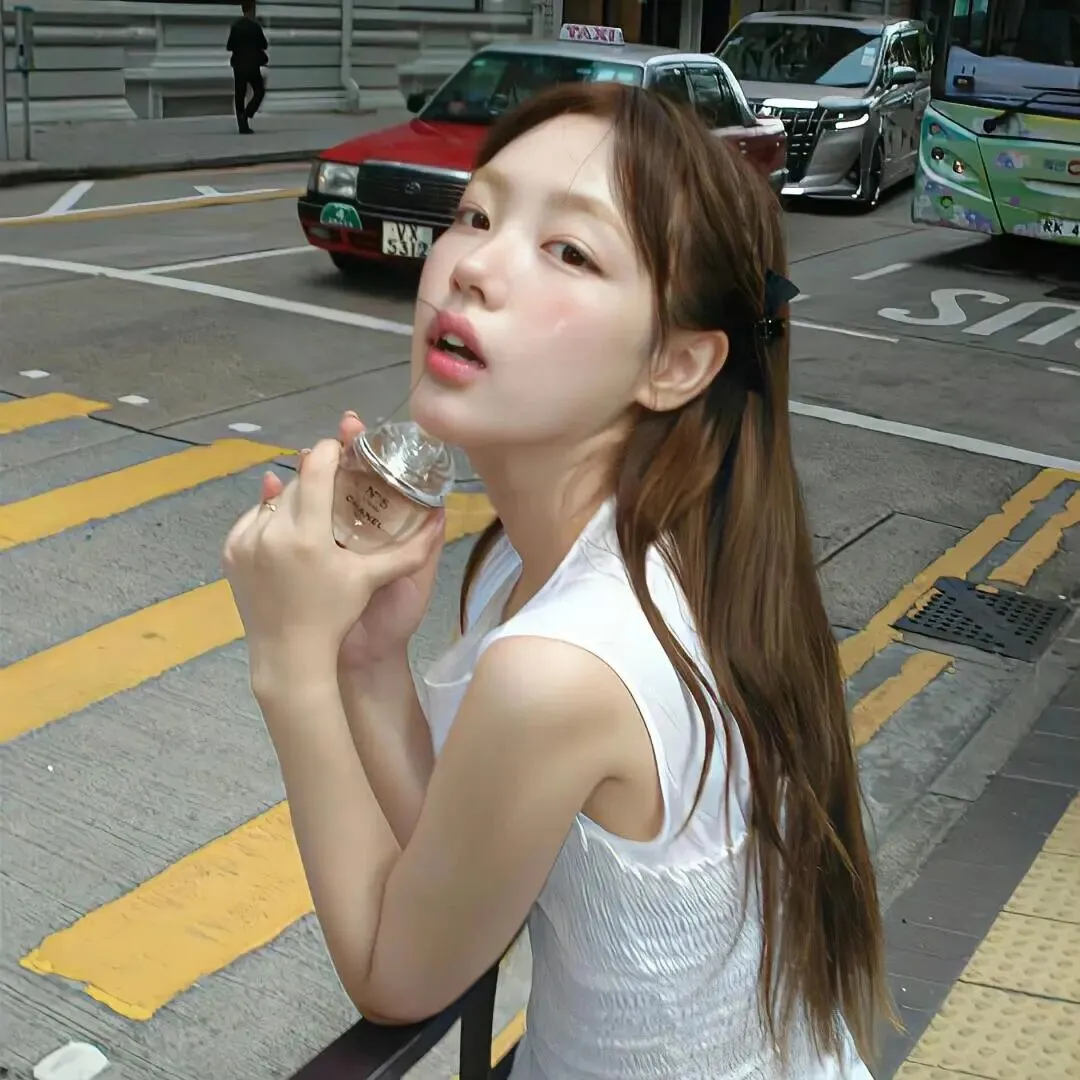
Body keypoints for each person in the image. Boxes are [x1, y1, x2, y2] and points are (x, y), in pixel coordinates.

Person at [222, 81, 894, 1079]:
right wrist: (368, 657)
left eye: (569, 251)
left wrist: (290, 661)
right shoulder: (580, 552)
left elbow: (397, 975)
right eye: (476, 215)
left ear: (675, 364)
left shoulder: (569, 660)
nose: (473, 267)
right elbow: (466, 865)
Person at [226, 0, 268, 134]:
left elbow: (229, 46)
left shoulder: (235, 26)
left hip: (238, 65)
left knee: (240, 94)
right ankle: (248, 112)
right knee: (259, 91)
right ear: (251, 10)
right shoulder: (255, 27)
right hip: (252, 65)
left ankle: (242, 124)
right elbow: (264, 44)